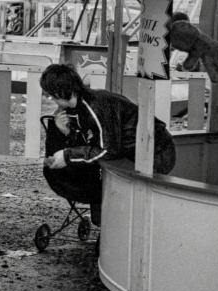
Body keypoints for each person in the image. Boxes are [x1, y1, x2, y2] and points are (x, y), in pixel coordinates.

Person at [40, 63, 176, 227]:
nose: (51, 100)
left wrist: (68, 155)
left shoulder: (96, 106)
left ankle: (123, 229)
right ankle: (111, 226)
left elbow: (107, 150)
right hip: (136, 151)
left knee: (132, 192)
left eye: (51, 96)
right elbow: (94, 142)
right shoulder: (83, 104)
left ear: (60, 92)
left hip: (156, 152)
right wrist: (67, 133)